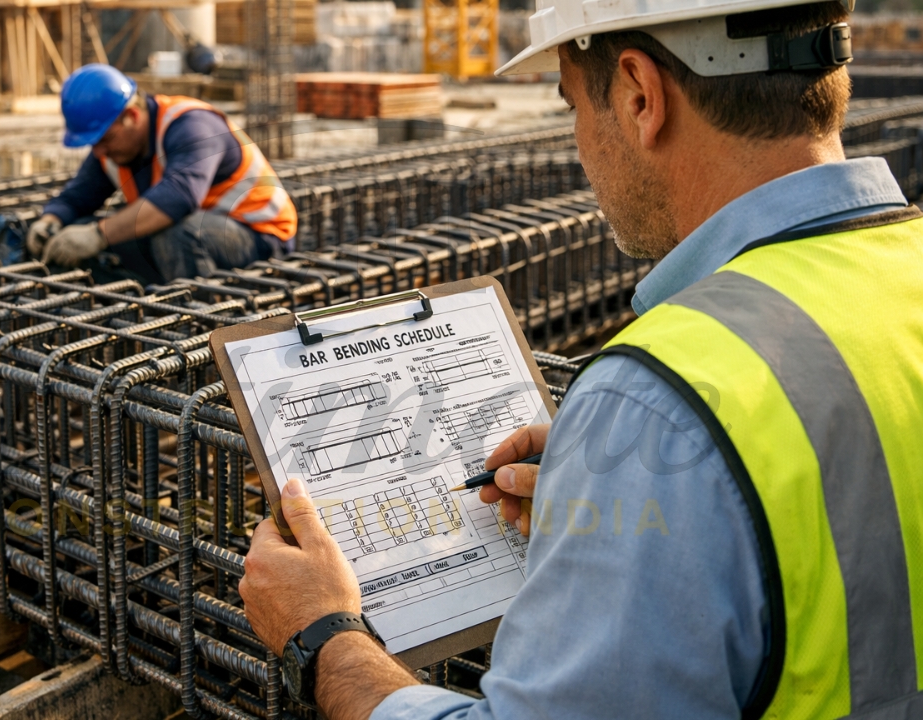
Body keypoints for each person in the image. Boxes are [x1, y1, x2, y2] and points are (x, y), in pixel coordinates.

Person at [239, 1, 923, 718]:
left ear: (638, 93)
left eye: (571, 104)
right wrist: (657, 488)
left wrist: (324, 636)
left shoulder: (658, 398)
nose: (577, 144)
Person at [25, 64, 297, 285]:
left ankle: (199, 323)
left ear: (131, 115)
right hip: (196, 235)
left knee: (174, 232)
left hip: (259, 234)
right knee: (78, 232)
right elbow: (78, 196)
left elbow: (179, 197)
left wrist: (99, 234)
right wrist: (51, 220)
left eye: (104, 139)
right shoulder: (113, 149)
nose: (99, 151)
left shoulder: (193, 125)